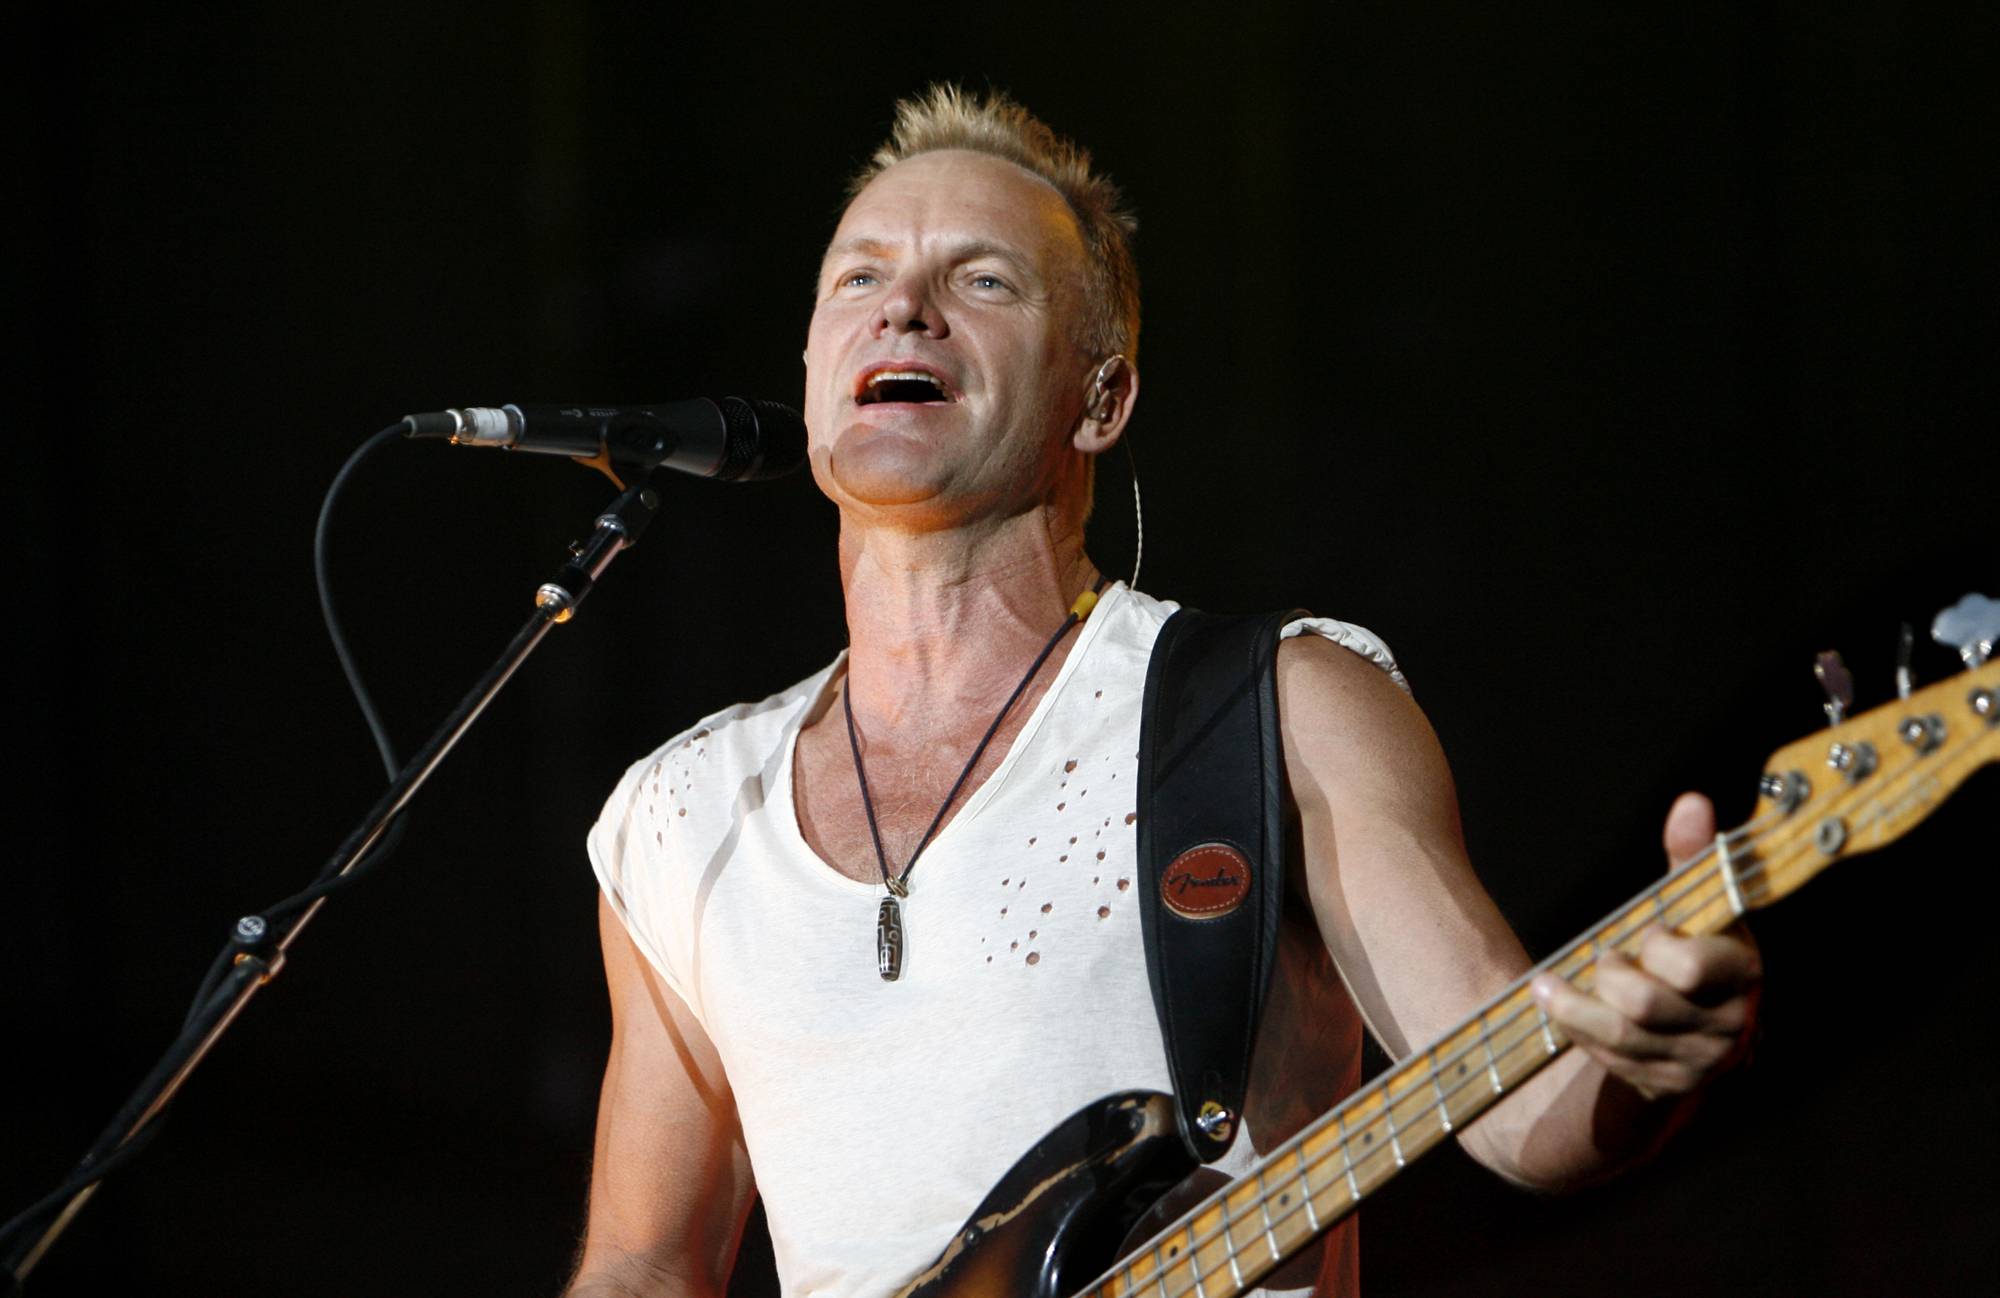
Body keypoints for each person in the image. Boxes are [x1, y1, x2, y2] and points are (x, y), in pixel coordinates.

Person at [567, 85, 1760, 1298]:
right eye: (858, 277)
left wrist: (1642, 1057)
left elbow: (1520, 1110)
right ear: (812, 364)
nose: (903, 308)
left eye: (981, 281)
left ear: (1100, 399)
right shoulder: (686, 811)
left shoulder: (1275, 708)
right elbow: (642, 1263)